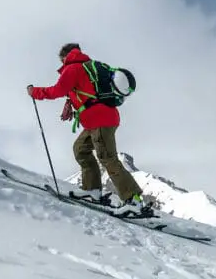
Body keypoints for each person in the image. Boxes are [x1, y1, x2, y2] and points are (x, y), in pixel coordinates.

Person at [27, 42, 145, 216]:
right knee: (80, 149)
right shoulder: (90, 67)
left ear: (65, 57)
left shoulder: (72, 68)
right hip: (98, 120)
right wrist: (70, 103)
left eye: (61, 60)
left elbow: (57, 90)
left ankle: (133, 200)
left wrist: (34, 92)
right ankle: (92, 190)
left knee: (108, 158)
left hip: (99, 121)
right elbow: (84, 91)